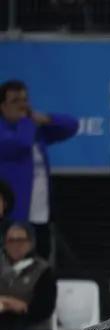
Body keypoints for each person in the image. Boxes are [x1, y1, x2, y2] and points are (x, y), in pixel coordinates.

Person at [0, 79, 78, 258]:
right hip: (14, 215)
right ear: (2, 107)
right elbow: (22, 144)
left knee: (40, 263)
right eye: (15, 101)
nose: (23, 106)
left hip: (40, 213)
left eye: (25, 100)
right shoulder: (8, 131)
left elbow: (71, 126)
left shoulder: (31, 129)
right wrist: (27, 121)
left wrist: (46, 119)